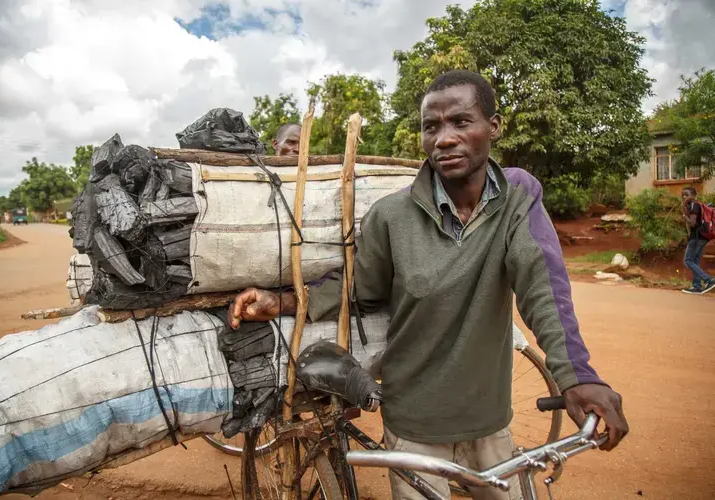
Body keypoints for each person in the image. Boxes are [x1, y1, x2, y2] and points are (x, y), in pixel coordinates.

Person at [228, 70, 628, 500]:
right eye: (431, 126)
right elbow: (357, 288)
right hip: (413, 425)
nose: (444, 138)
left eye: (461, 121)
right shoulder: (391, 217)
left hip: (490, 421)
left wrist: (578, 377)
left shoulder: (518, 199)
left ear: (493, 127)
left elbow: (544, 288)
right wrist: (283, 301)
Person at [682, 187, 714, 294]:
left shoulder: (694, 205)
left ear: (693, 195)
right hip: (702, 237)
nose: (684, 197)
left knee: (688, 260)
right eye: (683, 195)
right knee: (695, 261)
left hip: (697, 237)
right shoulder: (697, 205)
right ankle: (696, 286)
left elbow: (692, 223)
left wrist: (684, 217)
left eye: (686, 194)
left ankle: (708, 280)